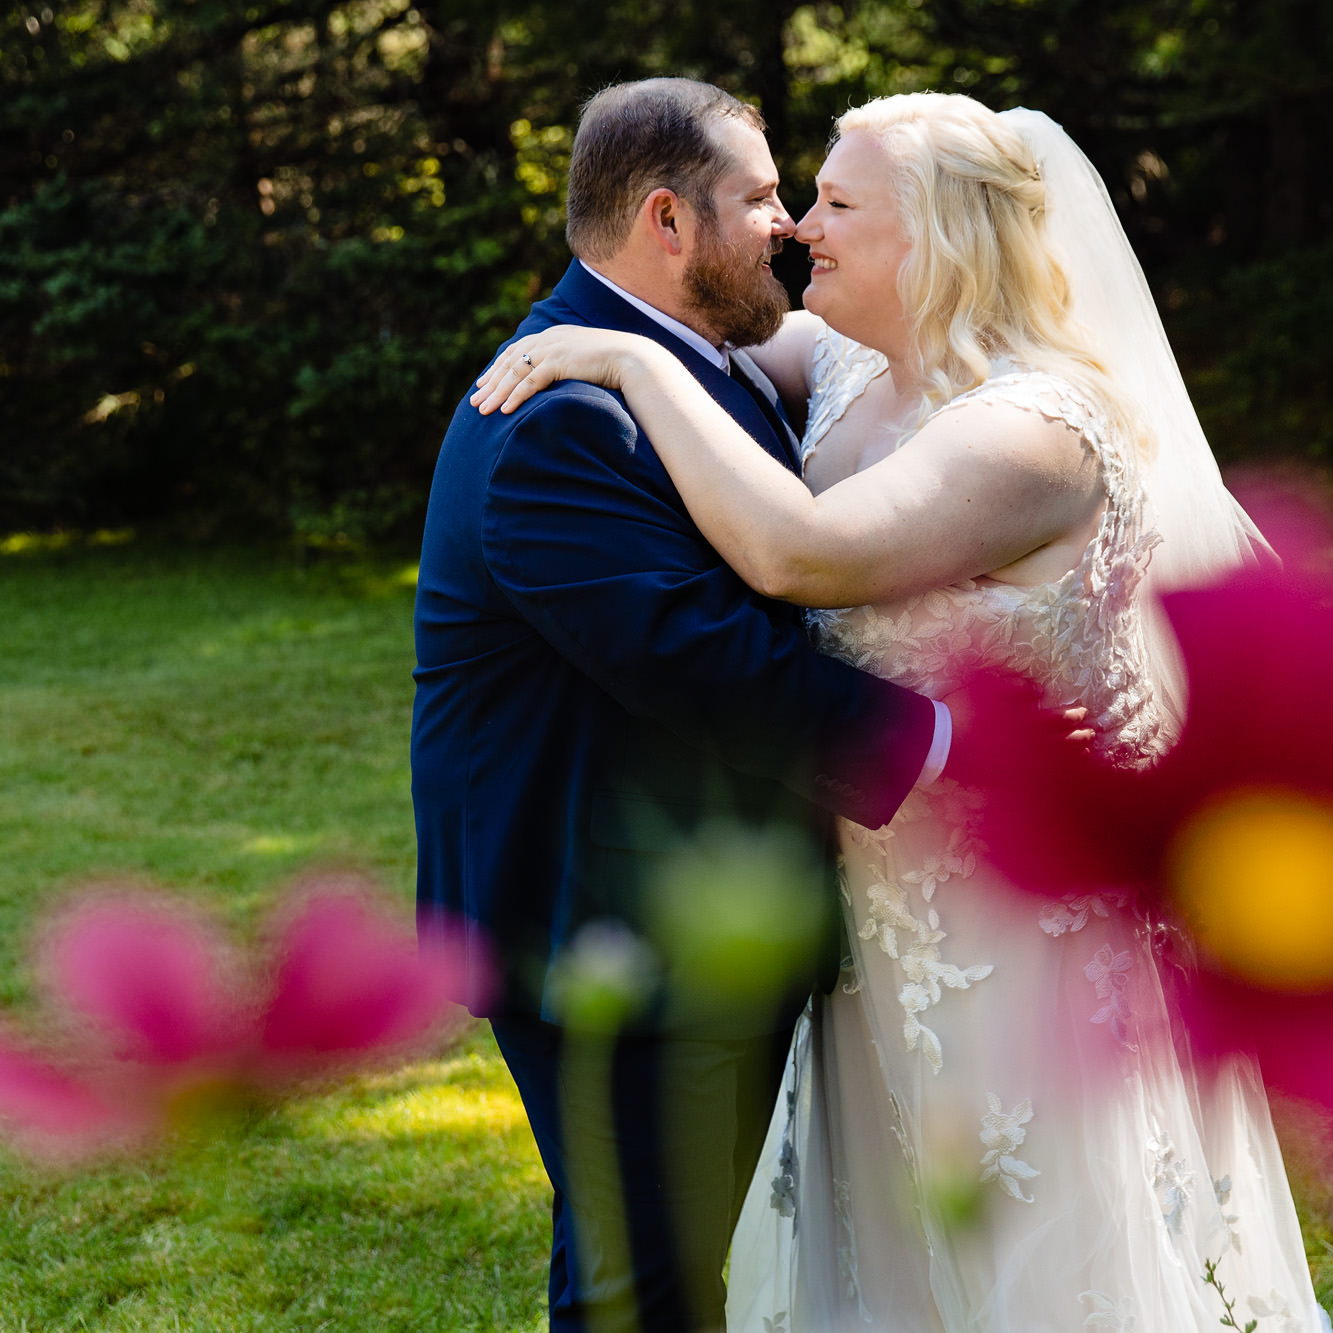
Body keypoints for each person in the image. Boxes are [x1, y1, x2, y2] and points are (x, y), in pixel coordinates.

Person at [474, 94, 1332, 1331]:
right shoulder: (846, 367)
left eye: (835, 204)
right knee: (892, 1258)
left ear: (935, 238)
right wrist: (608, 328)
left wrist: (623, 362)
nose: (797, 229)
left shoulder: (1034, 432)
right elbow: (673, 299)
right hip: (875, 918)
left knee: (1024, 1247)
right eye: (798, 197)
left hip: (1005, 922)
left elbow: (801, 553)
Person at [412, 78, 963, 1333]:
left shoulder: (699, 367)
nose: (785, 224)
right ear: (666, 221)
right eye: (761, 198)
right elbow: (701, 659)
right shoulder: (557, 424)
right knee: (644, 1294)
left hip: (694, 900)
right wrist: (941, 743)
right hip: (604, 928)